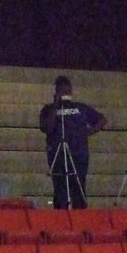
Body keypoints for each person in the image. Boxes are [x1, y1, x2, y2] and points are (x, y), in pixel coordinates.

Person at [38, 74, 106, 210]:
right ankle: (61, 217)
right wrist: (56, 105)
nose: (66, 95)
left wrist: (90, 131)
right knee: (60, 189)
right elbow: (46, 127)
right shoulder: (48, 109)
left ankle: (80, 218)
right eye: (62, 92)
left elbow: (102, 119)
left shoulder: (80, 108)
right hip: (58, 154)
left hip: (78, 153)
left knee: (79, 187)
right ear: (56, 92)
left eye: (68, 92)